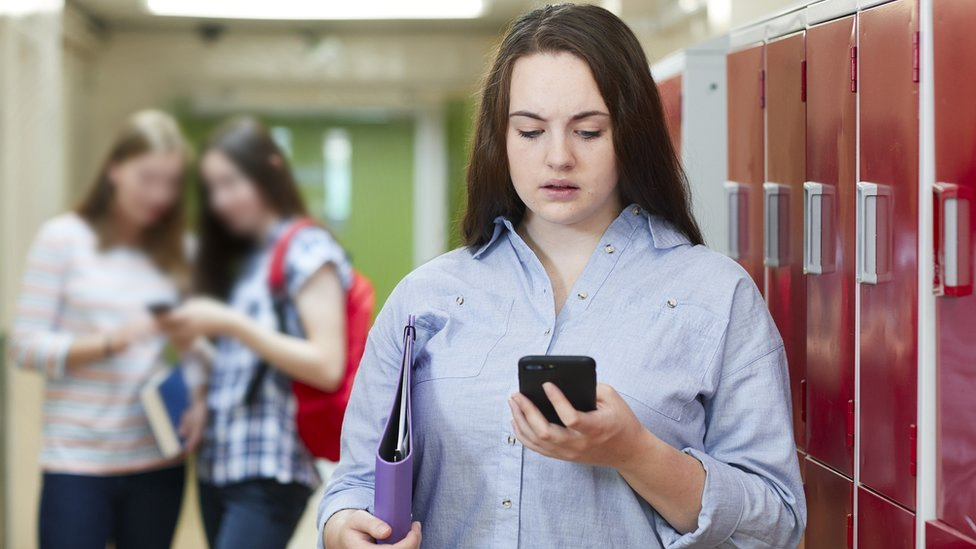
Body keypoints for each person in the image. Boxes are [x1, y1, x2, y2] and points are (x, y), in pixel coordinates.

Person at [320, 4, 805, 549]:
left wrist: (635, 453)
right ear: (498, 140)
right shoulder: (426, 298)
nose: (558, 157)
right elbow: (355, 483)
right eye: (530, 131)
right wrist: (344, 531)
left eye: (588, 131)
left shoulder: (716, 297)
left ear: (631, 134)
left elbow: (776, 523)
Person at [9, 109, 206, 549]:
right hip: (77, 461)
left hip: (157, 460)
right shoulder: (61, 240)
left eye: (172, 182)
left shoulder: (181, 250)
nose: (160, 193)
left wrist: (198, 397)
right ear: (114, 169)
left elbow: (197, 349)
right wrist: (110, 342)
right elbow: (23, 346)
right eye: (147, 177)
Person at [158, 116, 352, 549]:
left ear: (269, 170)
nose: (222, 199)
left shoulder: (306, 248)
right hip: (219, 463)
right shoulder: (247, 255)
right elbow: (239, 362)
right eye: (213, 188)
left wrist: (229, 322)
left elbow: (326, 364)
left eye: (232, 182)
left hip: (269, 468)